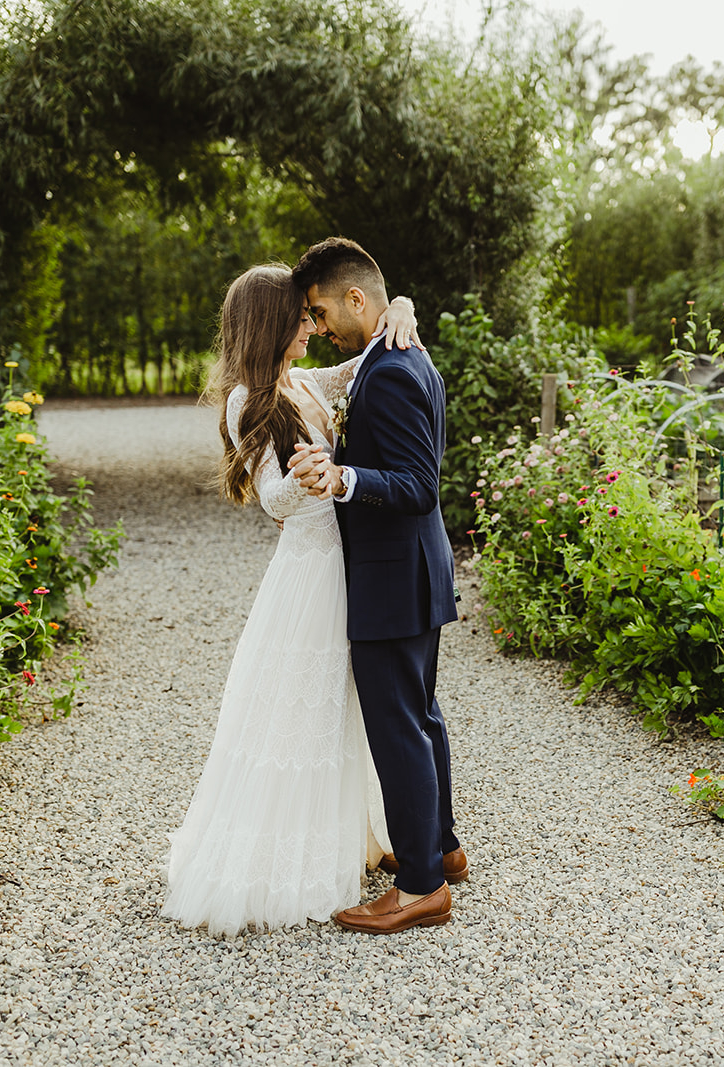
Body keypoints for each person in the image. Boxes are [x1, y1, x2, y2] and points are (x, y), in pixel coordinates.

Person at [161, 263, 418, 935]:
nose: (312, 323)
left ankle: (358, 835)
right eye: (301, 315)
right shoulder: (246, 399)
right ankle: (286, 860)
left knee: (343, 706)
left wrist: (404, 309)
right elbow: (268, 497)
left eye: (314, 313)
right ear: (272, 322)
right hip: (307, 571)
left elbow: (362, 369)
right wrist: (307, 480)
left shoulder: (301, 383)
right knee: (299, 712)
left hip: (341, 564)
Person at [287, 237, 464, 935]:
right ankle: (440, 848)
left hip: (393, 576)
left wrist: (344, 477)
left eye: (323, 311)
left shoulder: (389, 369)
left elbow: (419, 486)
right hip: (416, 571)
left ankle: (421, 886)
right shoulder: (398, 352)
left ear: (357, 299)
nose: (321, 326)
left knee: (399, 729)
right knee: (422, 716)